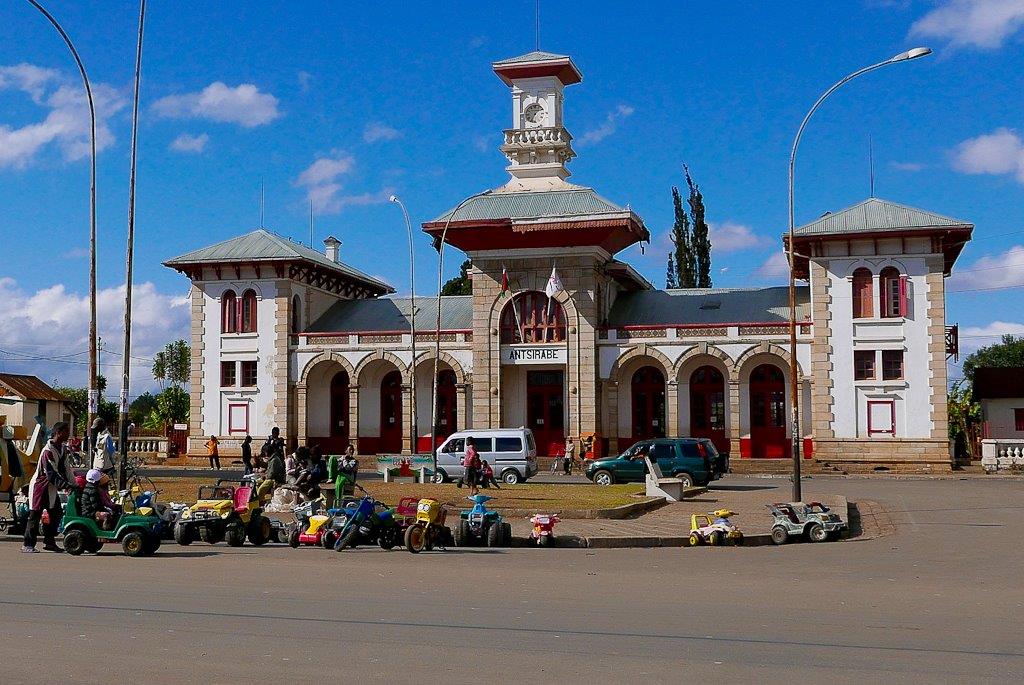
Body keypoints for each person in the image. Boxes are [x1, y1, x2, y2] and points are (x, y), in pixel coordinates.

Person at [23, 421, 74, 553]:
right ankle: (28, 544)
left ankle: (49, 542)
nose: (68, 434)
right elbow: (51, 474)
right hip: (40, 487)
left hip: (51, 488)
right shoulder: (48, 451)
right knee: (35, 515)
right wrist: (66, 486)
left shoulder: (62, 449)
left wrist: (74, 484)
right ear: (58, 433)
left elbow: (66, 469)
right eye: (66, 431)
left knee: (56, 513)